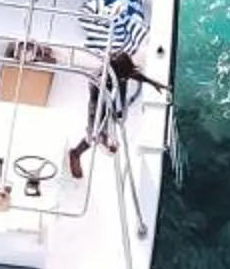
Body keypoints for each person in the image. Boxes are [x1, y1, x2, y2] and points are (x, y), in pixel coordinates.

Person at [64, 49, 160, 181]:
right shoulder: (98, 79)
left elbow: (132, 74)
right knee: (94, 134)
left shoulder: (118, 70)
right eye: (124, 75)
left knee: (103, 130)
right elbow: (96, 109)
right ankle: (76, 153)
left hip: (113, 102)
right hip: (98, 106)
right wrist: (105, 139)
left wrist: (153, 83)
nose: (127, 76)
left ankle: (101, 138)